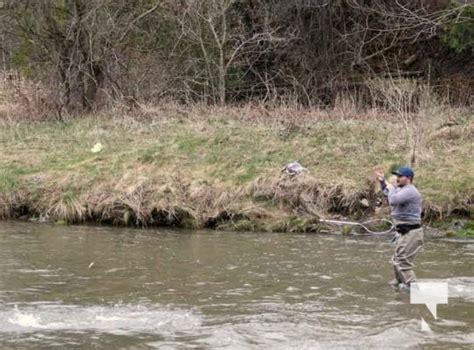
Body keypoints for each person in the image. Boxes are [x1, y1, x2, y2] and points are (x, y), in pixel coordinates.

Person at [373, 166, 423, 289]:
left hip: (411, 232)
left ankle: (414, 289)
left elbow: (393, 200)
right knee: (396, 259)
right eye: (397, 176)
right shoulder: (401, 189)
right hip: (403, 232)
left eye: (400, 176)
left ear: (409, 178)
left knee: (402, 261)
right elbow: (388, 192)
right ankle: (399, 283)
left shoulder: (410, 191)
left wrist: (390, 187)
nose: (397, 178)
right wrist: (383, 181)